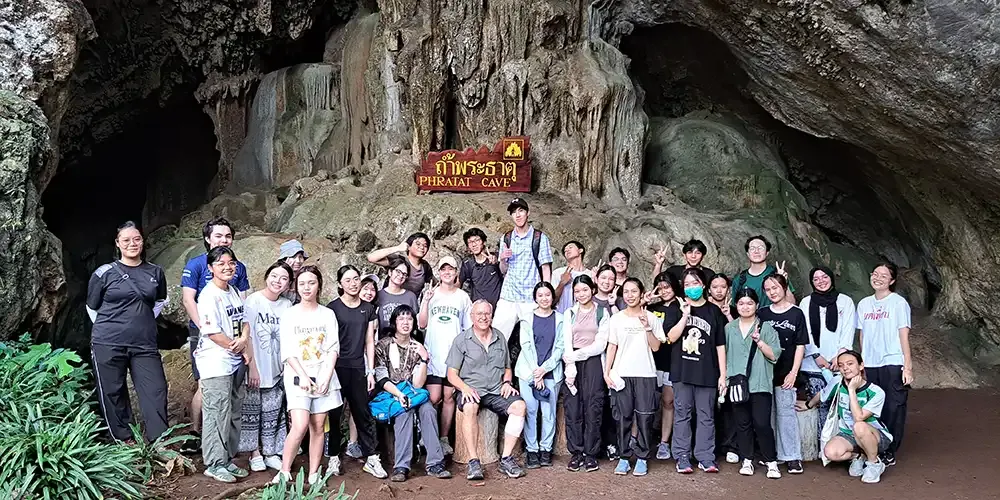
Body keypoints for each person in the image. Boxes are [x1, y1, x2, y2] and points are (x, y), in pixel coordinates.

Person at [86, 221, 169, 443]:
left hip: (144, 343)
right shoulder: (104, 273)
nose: (132, 244)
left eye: (137, 239)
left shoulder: (155, 272)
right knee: (112, 391)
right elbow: (92, 307)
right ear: (117, 243)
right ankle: (124, 439)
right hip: (108, 342)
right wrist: (111, 326)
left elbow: (160, 301)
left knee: (156, 389)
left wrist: (142, 321)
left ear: (142, 241)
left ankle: (160, 441)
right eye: (126, 240)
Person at [180, 217, 250, 453]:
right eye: (218, 236)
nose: (224, 240)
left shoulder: (237, 268)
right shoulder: (197, 265)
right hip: (207, 331)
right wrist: (206, 329)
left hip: (233, 334)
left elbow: (243, 304)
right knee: (207, 385)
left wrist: (243, 341)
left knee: (229, 394)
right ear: (207, 239)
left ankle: (223, 451)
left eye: (228, 236)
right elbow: (188, 299)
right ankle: (195, 433)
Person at [271, 266, 343, 486]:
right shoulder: (290, 314)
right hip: (297, 376)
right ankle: (284, 471)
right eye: (302, 283)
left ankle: (313, 473)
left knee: (318, 425)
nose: (306, 288)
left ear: (319, 285)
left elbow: (333, 348)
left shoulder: (327, 314)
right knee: (300, 424)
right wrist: (302, 376)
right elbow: (287, 351)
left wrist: (326, 376)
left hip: (323, 375)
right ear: (296, 286)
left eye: (311, 283)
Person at [447, 300, 528, 480]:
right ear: (472, 316)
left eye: (487, 313)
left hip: (496, 390)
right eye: (479, 314)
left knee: (520, 407)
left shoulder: (499, 337)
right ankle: (473, 461)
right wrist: (465, 388)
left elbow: (507, 367)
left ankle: (506, 459)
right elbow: (451, 374)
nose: (483, 317)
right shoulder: (462, 340)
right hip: (471, 389)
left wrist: (507, 382)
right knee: (470, 407)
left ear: (491, 316)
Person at [373, 305, 452, 481]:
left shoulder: (417, 346)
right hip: (392, 393)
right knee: (404, 413)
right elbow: (382, 378)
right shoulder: (383, 345)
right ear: (394, 322)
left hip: (414, 393)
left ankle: (435, 463)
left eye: (409, 318)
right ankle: (401, 466)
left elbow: (417, 383)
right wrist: (399, 395)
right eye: (401, 318)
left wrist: (424, 359)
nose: (405, 322)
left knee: (428, 410)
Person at [194, 246, 249, 483]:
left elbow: (244, 320)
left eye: (231, 263)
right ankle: (214, 463)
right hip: (215, 363)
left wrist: (244, 340)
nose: (227, 267)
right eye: (221, 263)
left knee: (233, 411)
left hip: (234, 361)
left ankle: (226, 459)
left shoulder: (233, 290)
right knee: (217, 413)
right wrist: (236, 346)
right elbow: (212, 332)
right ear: (210, 268)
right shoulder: (208, 295)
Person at [326, 265, 387, 478]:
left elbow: (369, 341)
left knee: (363, 413)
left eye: (355, 279)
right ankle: (333, 457)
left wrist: (370, 371)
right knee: (335, 414)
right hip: (336, 367)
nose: (353, 284)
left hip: (358, 367)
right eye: (348, 280)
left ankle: (372, 458)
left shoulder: (368, 309)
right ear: (340, 284)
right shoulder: (332, 308)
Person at [666, 268, 727, 474]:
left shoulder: (714, 311)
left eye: (695, 283)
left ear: (703, 285)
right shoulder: (676, 307)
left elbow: (720, 344)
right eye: (687, 284)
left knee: (706, 415)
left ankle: (705, 456)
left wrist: (723, 374)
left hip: (707, 371)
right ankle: (682, 456)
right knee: (682, 414)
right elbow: (671, 337)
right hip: (682, 370)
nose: (692, 287)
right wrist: (685, 315)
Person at [604, 278, 667, 477]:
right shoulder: (617, 319)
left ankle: (642, 457)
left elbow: (656, 347)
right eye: (626, 292)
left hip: (645, 374)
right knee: (623, 417)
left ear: (641, 293)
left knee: (645, 418)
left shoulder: (651, 317)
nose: (630, 295)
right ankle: (624, 457)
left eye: (634, 291)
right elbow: (612, 346)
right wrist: (607, 372)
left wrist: (647, 327)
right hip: (622, 374)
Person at [239, 261, 294, 472]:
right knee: (252, 412)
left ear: (288, 284)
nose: (277, 281)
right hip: (256, 364)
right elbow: (247, 335)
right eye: (274, 276)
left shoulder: (287, 306)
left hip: (277, 367)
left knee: (273, 413)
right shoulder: (253, 301)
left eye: (284, 278)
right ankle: (254, 453)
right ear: (266, 277)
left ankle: (271, 452)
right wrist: (252, 367)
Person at [856, 262, 911, 467]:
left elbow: (903, 334)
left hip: (892, 360)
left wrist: (907, 365)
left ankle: (889, 450)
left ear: (892, 280)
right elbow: (862, 335)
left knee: (893, 406)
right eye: (875, 274)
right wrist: (862, 362)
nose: (878, 278)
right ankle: (873, 445)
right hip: (871, 362)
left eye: (884, 275)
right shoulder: (864, 304)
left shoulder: (898, 303)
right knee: (872, 405)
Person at [808, 350, 892, 484]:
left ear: (861, 366)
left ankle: (874, 463)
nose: (845, 368)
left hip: (875, 436)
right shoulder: (837, 382)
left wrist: (851, 390)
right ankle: (860, 456)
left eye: (850, 364)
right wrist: (808, 404)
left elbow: (859, 417)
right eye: (841, 365)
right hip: (848, 434)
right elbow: (823, 394)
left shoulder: (876, 392)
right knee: (831, 453)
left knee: (859, 426)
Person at [724, 288, 782, 479]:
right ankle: (747, 459)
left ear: (757, 305)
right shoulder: (729, 328)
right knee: (742, 424)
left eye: (750, 303)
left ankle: (771, 462)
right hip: (737, 383)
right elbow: (725, 355)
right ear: (736, 305)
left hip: (760, 383)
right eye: (741, 303)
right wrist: (724, 380)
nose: (745, 307)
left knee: (762, 423)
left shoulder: (766, 328)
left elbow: (774, 355)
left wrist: (759, 342)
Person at [419, 255, 473, 457]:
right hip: (433, 353)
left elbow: (468, 328)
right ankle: (428, 436)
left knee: (449, 397)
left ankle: (443, 438)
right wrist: (426, 300)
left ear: (456, 272)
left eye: (451, 269)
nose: (447, 272)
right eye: (443, 269)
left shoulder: (463, 297)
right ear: (439, 272)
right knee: (433, 397)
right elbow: (422, 323)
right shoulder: (431, 294)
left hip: (454, 355)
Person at [757, 273, 808, 474]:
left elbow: (801, 345)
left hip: (786, 371)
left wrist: (794, 372)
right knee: (767, 415)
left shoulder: (796, 314)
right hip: (765, 372)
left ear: (785, 287)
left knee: (786, 414)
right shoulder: (762, 313)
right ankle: (773, 454)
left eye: (776, 288)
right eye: (768, 289)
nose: (772, 292)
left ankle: (792, 456)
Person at [798, 266, 856, 437]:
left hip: (839, 364)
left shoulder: (845, 301)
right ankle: (820, 443)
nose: (821, 281)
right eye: (816, 279)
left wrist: (840, 356)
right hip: (812, 363)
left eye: (824, 277)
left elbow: (848, 330)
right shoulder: (806, 303)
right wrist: (816, 355)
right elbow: (805, 332)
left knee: (839, 405)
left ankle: (840, 442)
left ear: (831, 278)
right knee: (817, 405)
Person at [561, 275, 611, 471]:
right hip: (571, 362)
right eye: (577, 291)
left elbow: (600, 344)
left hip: (593, 362)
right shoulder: (569, 313)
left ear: (592, 289)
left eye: (585, 290)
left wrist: (576, 356)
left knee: (593, 406)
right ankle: (576, 452)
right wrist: (570, 364)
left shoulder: (602, 312)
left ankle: (591, 453)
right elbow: (567, 340)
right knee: (573, 406)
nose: (581, 294)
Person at [514, 282, 565, 469]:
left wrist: (544, 369)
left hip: (551, 373)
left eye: (547, 295)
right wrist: (537, 371)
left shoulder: (560, 319)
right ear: (535, 298)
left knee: (549, 413)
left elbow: (560, 347)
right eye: (540, 295)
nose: (544, 298)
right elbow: (525, 345)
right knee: (531, 411)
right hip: (528, 372)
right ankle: (532, 450)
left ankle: (546, 449)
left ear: (553, 297)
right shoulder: (527, 319)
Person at [495, 197, 553, 339]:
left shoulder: (539, 238)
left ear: (528, 213)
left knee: (533, 340)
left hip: (530, 297)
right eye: (514, 212)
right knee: (497, 337)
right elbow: (503, 270)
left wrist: (545, 294)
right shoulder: (506, 238)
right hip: (509, 296)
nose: (518, 215)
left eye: (521, 210)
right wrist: (502, 259)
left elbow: (545, 269)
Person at [645, 271, 682, 460]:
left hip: (672, 361)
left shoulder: (681, 307)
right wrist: (645, 302)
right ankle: (639, 439)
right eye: (660, 288)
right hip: (650, 360)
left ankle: (664, 442)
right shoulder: (652, 308)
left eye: (667, 287)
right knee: (646, 402)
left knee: (668, 402)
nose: (664, 291)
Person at [730, 235, 795, 309]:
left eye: (760, 248)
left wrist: (783, 282)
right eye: (752, 248)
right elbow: (735, 308)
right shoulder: (739, 280)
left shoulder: (778, 274)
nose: (756, 251)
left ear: (767, 252)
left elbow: (792, 305)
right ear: (747, 254)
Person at [367, 233, 434, 297]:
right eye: (418, 244)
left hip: (410, 303)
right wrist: (398, 248)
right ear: (408, 246)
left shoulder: (425, 266)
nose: (422, 247)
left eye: (425, 246)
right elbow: (371, 258)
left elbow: (435, 283)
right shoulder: (399, 260)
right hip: (388, 301)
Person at [376, 255, 420, 338]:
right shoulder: (378, 295)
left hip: (404, 341)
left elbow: (415, 323)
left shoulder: (411, 297)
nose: (401, 276)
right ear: (390, 272)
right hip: (383, 341)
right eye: (398, 271)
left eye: (404, 274)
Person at [459, 228, 502, 309]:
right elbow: (459, 283)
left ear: (484, 242)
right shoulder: (468, 263)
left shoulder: (495, 257)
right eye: (470, 242)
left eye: (477, 240)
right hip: (479, 309)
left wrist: (497, 262)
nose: (474, 244)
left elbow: (505, 270)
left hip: (498, 308)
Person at [551, 241, 593, 314]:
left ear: (580, 250)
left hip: (583, 316)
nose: (567, 250)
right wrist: (562, 283)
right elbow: (551, 301)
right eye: (565, 251)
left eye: (570, 247)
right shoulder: (558, 273)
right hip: (561, 316)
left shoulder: (590, 274)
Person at [278, 239, 308, 303]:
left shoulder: (305, 276)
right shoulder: (277, 277)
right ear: (284, 259)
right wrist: (287, 272)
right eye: (293, 257)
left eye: (300, 257)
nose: (298, 261)